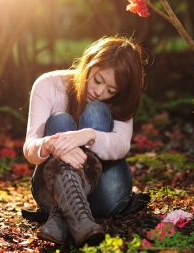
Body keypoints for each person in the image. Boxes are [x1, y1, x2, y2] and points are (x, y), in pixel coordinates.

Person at [23, 36, 150, 248]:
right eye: (98, 80)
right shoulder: (49, 85)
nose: (99, 92)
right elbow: (30, 148)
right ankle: (81, 221)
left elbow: (121, 144)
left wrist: (89, 135)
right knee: (60, 120)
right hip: (51, 191)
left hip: (106, 194)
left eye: (111, 90)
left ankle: (61, 217)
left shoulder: (120, 101)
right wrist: (50, 144)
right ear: (89, 63)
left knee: (96, 110)